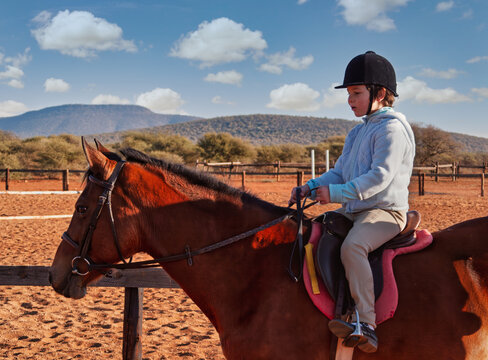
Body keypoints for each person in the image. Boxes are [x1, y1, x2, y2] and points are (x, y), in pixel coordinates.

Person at [288, 51, 415, 353]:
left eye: (356, 93)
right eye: (348, 94)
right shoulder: (358, 132)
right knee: (313, 234)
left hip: (385, 213)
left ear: (380, 93)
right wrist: (311, 186)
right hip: (355, 211)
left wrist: (335, 195)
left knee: (353, 247)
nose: (350, 100)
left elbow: (379, 177)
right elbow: (340, 171)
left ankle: (366, 324)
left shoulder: (392, 129)